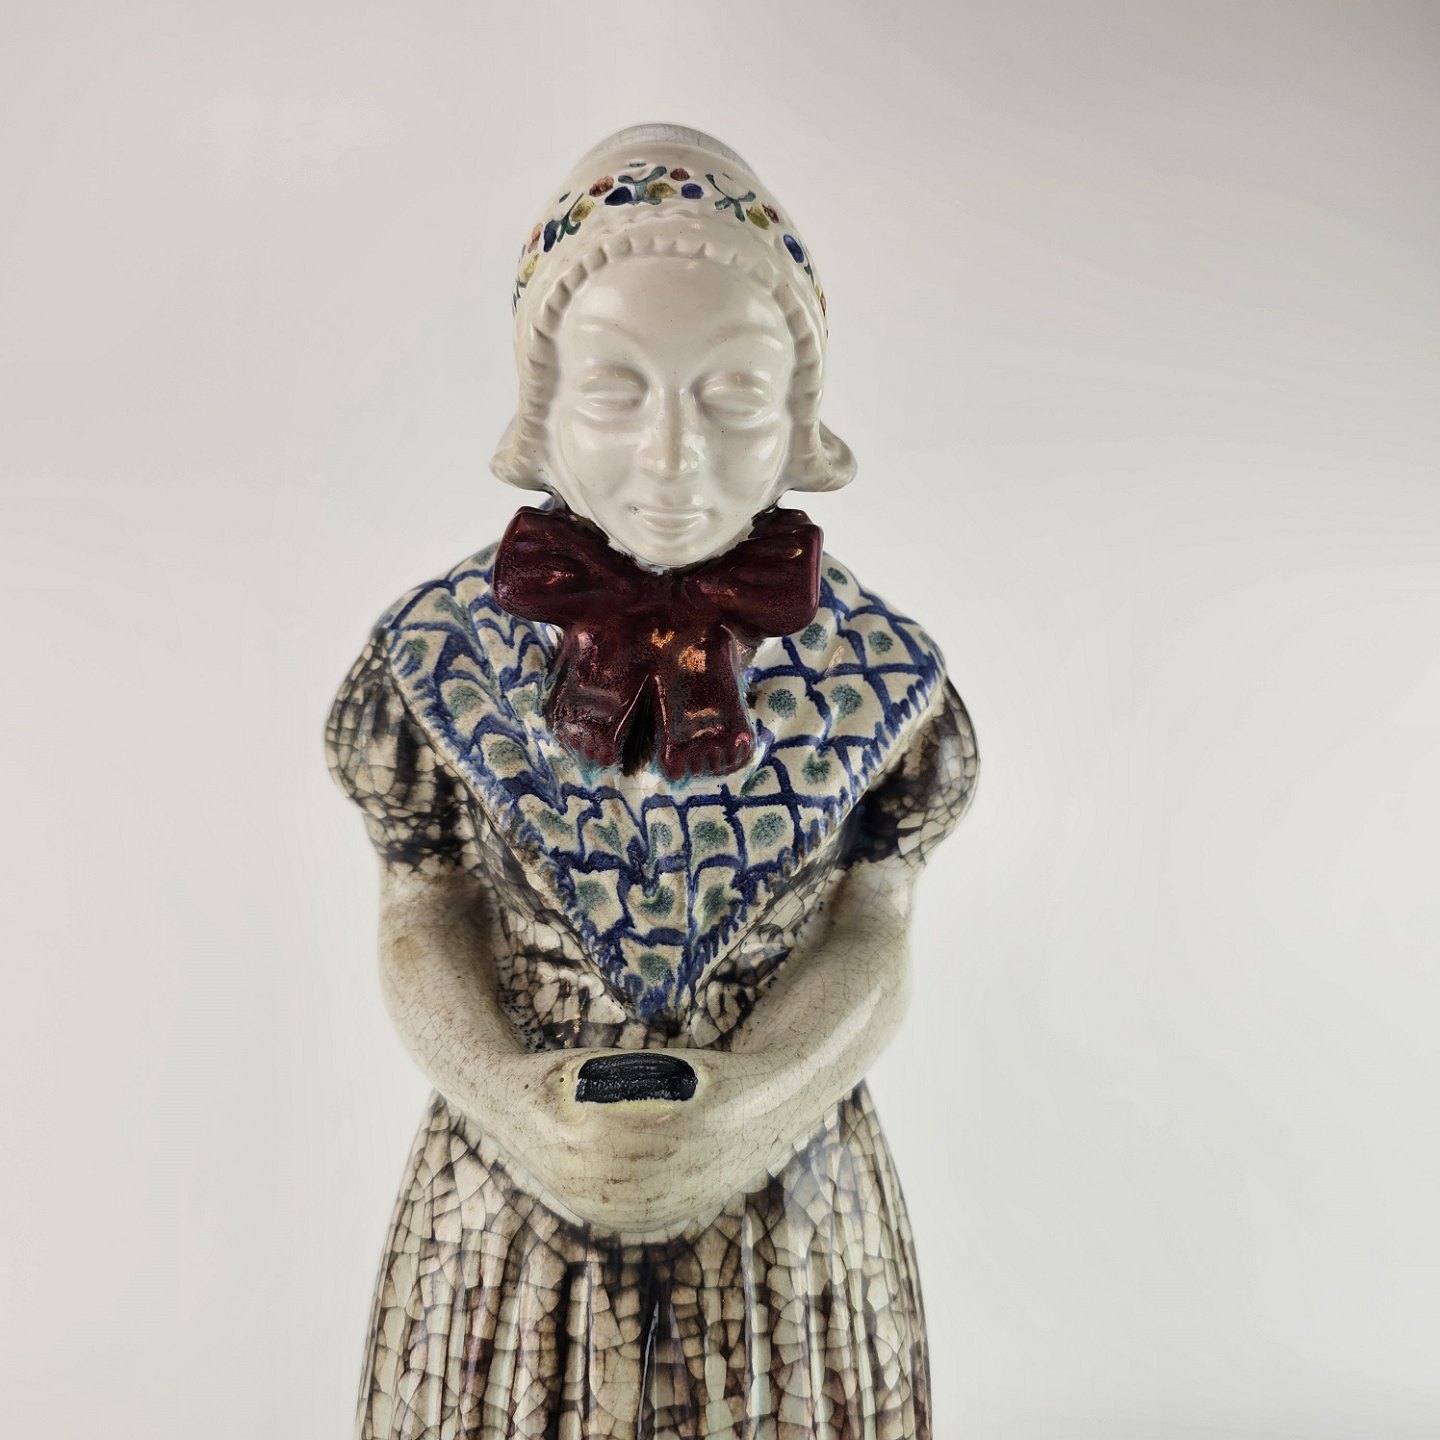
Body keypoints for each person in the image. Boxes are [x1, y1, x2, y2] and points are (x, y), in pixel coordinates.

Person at [328, 123, 978, 1440]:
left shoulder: (875, 673)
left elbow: (875, 922)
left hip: (785, 1218)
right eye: (616, 391)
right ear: (541, 406)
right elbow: (421, 909)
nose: (673, 454)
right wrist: (506, 1099)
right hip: (505, 1217)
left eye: (731, 396)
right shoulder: (441, 657)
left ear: (797, 414)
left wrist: (767, 1099)